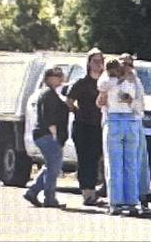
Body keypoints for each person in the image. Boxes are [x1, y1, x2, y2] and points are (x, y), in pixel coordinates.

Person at [98, 58, 144, 216]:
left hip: (114, 119)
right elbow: (136, 102)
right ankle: (132, 201)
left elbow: (102, 89)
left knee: (114, 163)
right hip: (131, 120)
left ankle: (115, 202)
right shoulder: (134, 81)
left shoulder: (108, 81)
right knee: (130, 164)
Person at [23, 66, 69, 208]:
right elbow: (47, 116)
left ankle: (32, 192)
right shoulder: (48, 94)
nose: (60, 77)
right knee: (53, 167)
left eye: (61, 75)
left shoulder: (52, 93)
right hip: (46, 134)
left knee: (52, 166)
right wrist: (54, 134)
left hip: (44, 135)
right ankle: (50, 198)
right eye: (56, 75)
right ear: (48, 78)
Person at [66, 48, 105, 207]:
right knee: (84, 159)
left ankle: (93, 192)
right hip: (83, 126)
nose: (98, 64)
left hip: (99, 126)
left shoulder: (105, 82)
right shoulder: (81, 82)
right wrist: (77, 112)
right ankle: (87, 194)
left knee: (95, 159)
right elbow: (69, 101)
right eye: (95, 61)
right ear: (88, 62)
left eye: (100, 61)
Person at [119, 52, 151, 213]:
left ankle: (141, 195)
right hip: (116, 123)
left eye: (129, 64)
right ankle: (121, 197)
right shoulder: (112, 81)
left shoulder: (136, 82)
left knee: (138, 161)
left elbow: (141, 106)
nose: (126, 67)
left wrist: (131, 101)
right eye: (123, 63)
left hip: (134, 123)